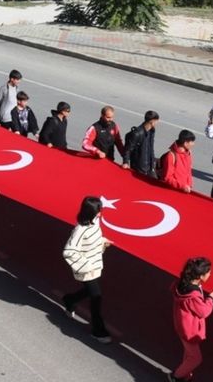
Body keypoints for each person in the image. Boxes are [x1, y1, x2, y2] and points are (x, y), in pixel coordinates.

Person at [62, 196, 112, 344]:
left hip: (95, 266)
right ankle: (98, 330)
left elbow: (94, 238)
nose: (100, 214)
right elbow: (68, 251)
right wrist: (86, 266)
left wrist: (103, 242)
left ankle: (69, 300)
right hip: (87, 270)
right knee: (96, 297)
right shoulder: (80, 230)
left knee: (90, 292)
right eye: (98, 211)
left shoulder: (94, 222)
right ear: (90, 212)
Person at [169, 257, 213, 382]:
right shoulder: (193, 296)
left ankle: (184, 375)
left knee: (189, 354)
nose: (210, 274)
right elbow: (204, 312)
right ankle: (176, 377)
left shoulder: (181, 284)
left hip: (182, 326)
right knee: (196, 358)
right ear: (200, 276)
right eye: (209, 272)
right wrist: (210, 299)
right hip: (190, 331)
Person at [124, 110, 160, 178]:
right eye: (156, 121)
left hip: (150, 168)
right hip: (139, 168)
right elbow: (128, 149)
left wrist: (153, 164)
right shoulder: (137, 133)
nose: (157, 123)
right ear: (152, 121)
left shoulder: (152, 131)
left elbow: (151, 148)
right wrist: (125, 162)